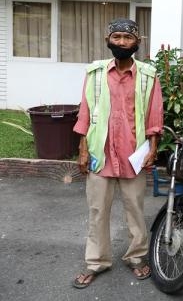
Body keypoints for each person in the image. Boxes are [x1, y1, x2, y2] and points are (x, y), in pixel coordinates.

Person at [72, 18, 164, 289]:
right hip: (101, 154)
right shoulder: (95, 73)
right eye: (117, 37)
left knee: (135, 209)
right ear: (108, 41)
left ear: (137, 42)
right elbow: (85, 112)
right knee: (98, 210)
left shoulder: (148, 75)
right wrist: (82, 149)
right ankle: (96, 261)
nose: (122, 42)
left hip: (133, 154)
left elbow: (154, 114)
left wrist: (153, 148)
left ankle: (136, 257)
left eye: (127, 37)